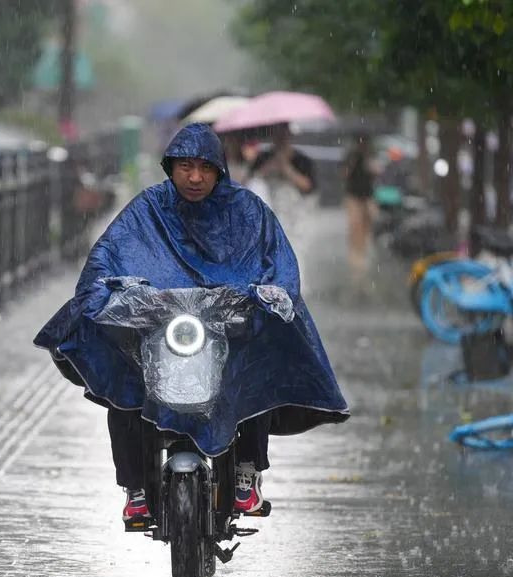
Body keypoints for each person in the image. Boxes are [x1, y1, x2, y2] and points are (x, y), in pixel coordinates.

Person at [34, 123, 349, 521]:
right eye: (185, 166)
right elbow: (106, 260)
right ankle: (135, 487)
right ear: (170, 167)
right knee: (124, 382)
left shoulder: (248, 212)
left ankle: (246, 472)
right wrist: (112, 295)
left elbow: (279, 267)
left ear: (219, 169)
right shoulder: (148, 209)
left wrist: (271, 296)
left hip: (229, 328)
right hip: (158, 330)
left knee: (255, 364)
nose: (195, 177)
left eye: (204, 167)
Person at [344, 135, 375, 270]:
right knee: (355, 224)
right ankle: (355, 253)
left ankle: (363, 249)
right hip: (353, 196)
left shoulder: (370, 156)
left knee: (367, 223)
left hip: (367, 196)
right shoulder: (351, 156)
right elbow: (344, 174)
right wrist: (353, 163)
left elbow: (376, 171)